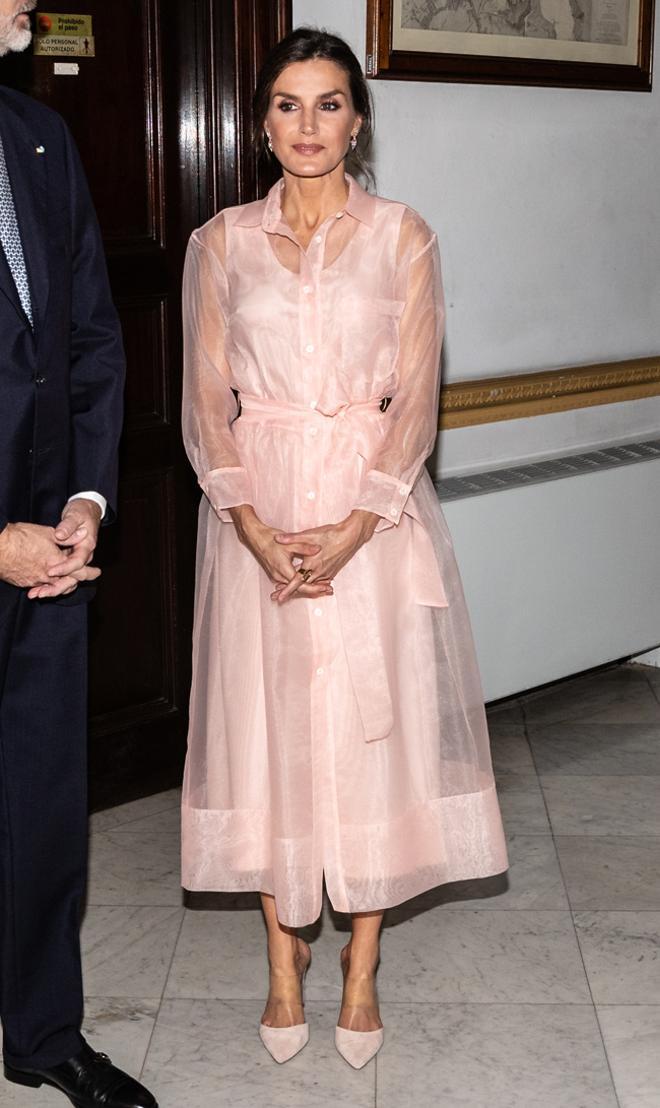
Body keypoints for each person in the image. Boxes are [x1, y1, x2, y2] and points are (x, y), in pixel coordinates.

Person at [181, 26, 509, 1070]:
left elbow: (417, 400)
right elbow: (204, 405)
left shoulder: (404, 234)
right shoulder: (218, 241)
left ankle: (362, 966)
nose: (308, 125)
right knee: (268, 733)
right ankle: (284, 965)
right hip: (258, 518)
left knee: (376, 734)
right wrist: (253, 528)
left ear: (357, 121)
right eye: (288, 103)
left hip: (374, 513)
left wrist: (359, 525)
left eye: (329, 104)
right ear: (263, 122)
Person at [0, 3, 157, 1105]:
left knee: (45, 806)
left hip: (54, 551)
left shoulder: (41, 139)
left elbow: (93, 336)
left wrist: (87, 498)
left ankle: (43, 1031)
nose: (29, 2)